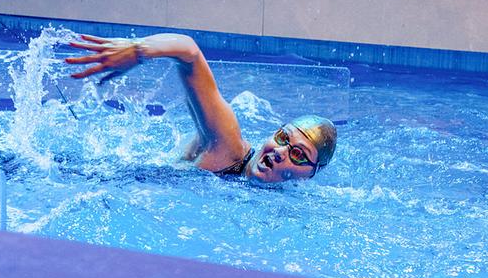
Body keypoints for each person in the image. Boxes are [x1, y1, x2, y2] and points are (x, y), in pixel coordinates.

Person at [65, 33, 336, 183]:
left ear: (311, 174)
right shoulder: (229, 149)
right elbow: (189, 52)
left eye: (298, 154)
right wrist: (138, 50)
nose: (278, 153)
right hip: (94, 177)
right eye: (282, 139)